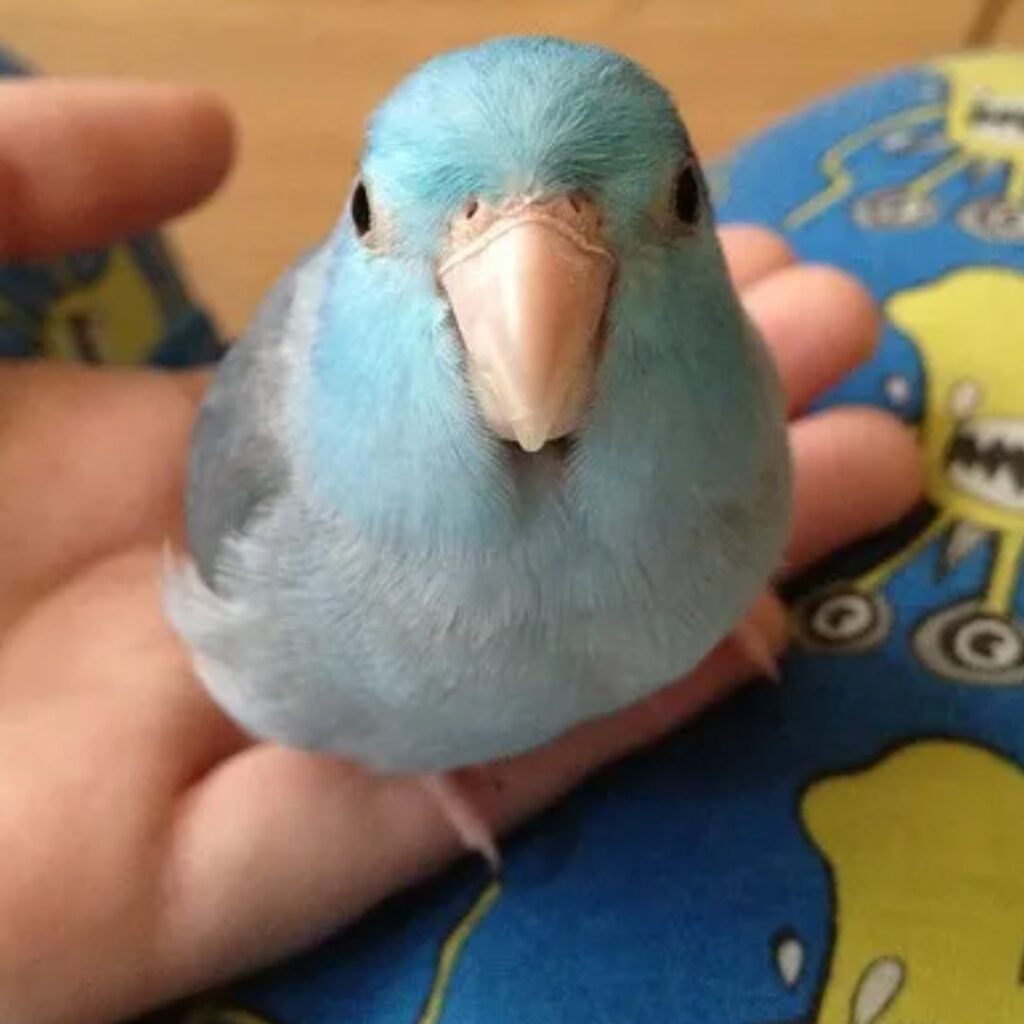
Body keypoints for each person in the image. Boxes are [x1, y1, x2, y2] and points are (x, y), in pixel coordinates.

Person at [0, 79, 923, 1024]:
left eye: (676, 201)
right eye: (375, 215)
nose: (528, 287)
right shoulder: (268, 496)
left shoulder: (747, 424)